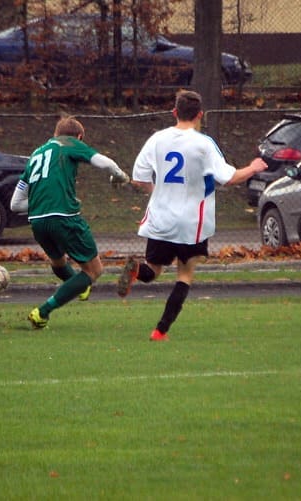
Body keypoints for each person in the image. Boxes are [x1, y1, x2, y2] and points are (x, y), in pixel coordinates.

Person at [117, 90, 268, 341]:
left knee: (153, 271)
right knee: (184, 275)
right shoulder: (203, 143)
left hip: (161, 217)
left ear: (174, 112)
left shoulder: (157, 139)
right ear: (200, 115)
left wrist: (159, 192)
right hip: (191, 222)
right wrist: (252, 168)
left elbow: (139, 178)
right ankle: (160, 330)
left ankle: (135, 271)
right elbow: (229, 178)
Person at [11, 116, 130, 329]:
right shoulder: (70, 143)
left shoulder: (36, 154)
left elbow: (15, 204)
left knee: (58, 262)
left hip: (38, 222)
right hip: (63, 218)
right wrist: (119, 177)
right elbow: (106, 163)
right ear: (80, 137)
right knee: (94, 271)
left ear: (54, 134)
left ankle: (77, 285)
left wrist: (44, 203)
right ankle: (42, 312)